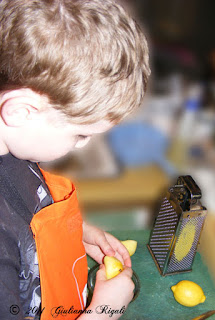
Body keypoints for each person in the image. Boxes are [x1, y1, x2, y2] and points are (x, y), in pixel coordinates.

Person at [0, 0, 150, 319]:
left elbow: (23, 214)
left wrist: (77, 233)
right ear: (20, 111)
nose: (84, 146)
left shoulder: (14, 151)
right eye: (81, 134)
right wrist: (104, 311)